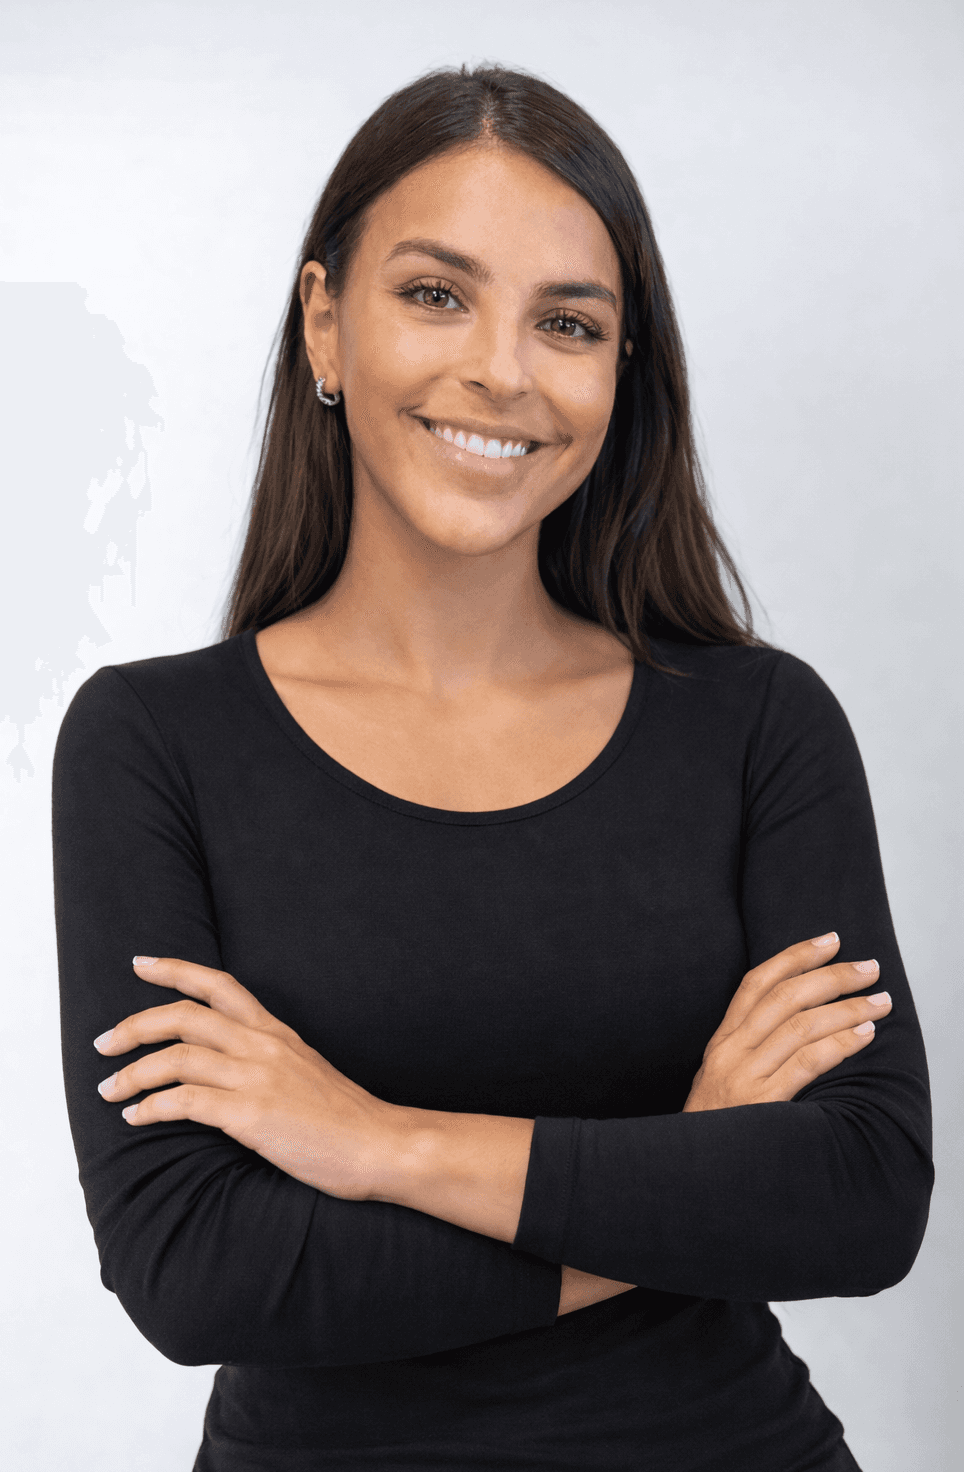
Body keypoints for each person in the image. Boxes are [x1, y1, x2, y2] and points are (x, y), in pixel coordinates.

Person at [52, 65, 933, 1472]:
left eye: (567, 322)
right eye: (434, 294)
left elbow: (858, 1200)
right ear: (325, 324)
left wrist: (373, 1143)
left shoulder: (757, 725)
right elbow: (197, 1270)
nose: (503, 370)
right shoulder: (153, 745)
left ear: (618, 375)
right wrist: (681, 1173)